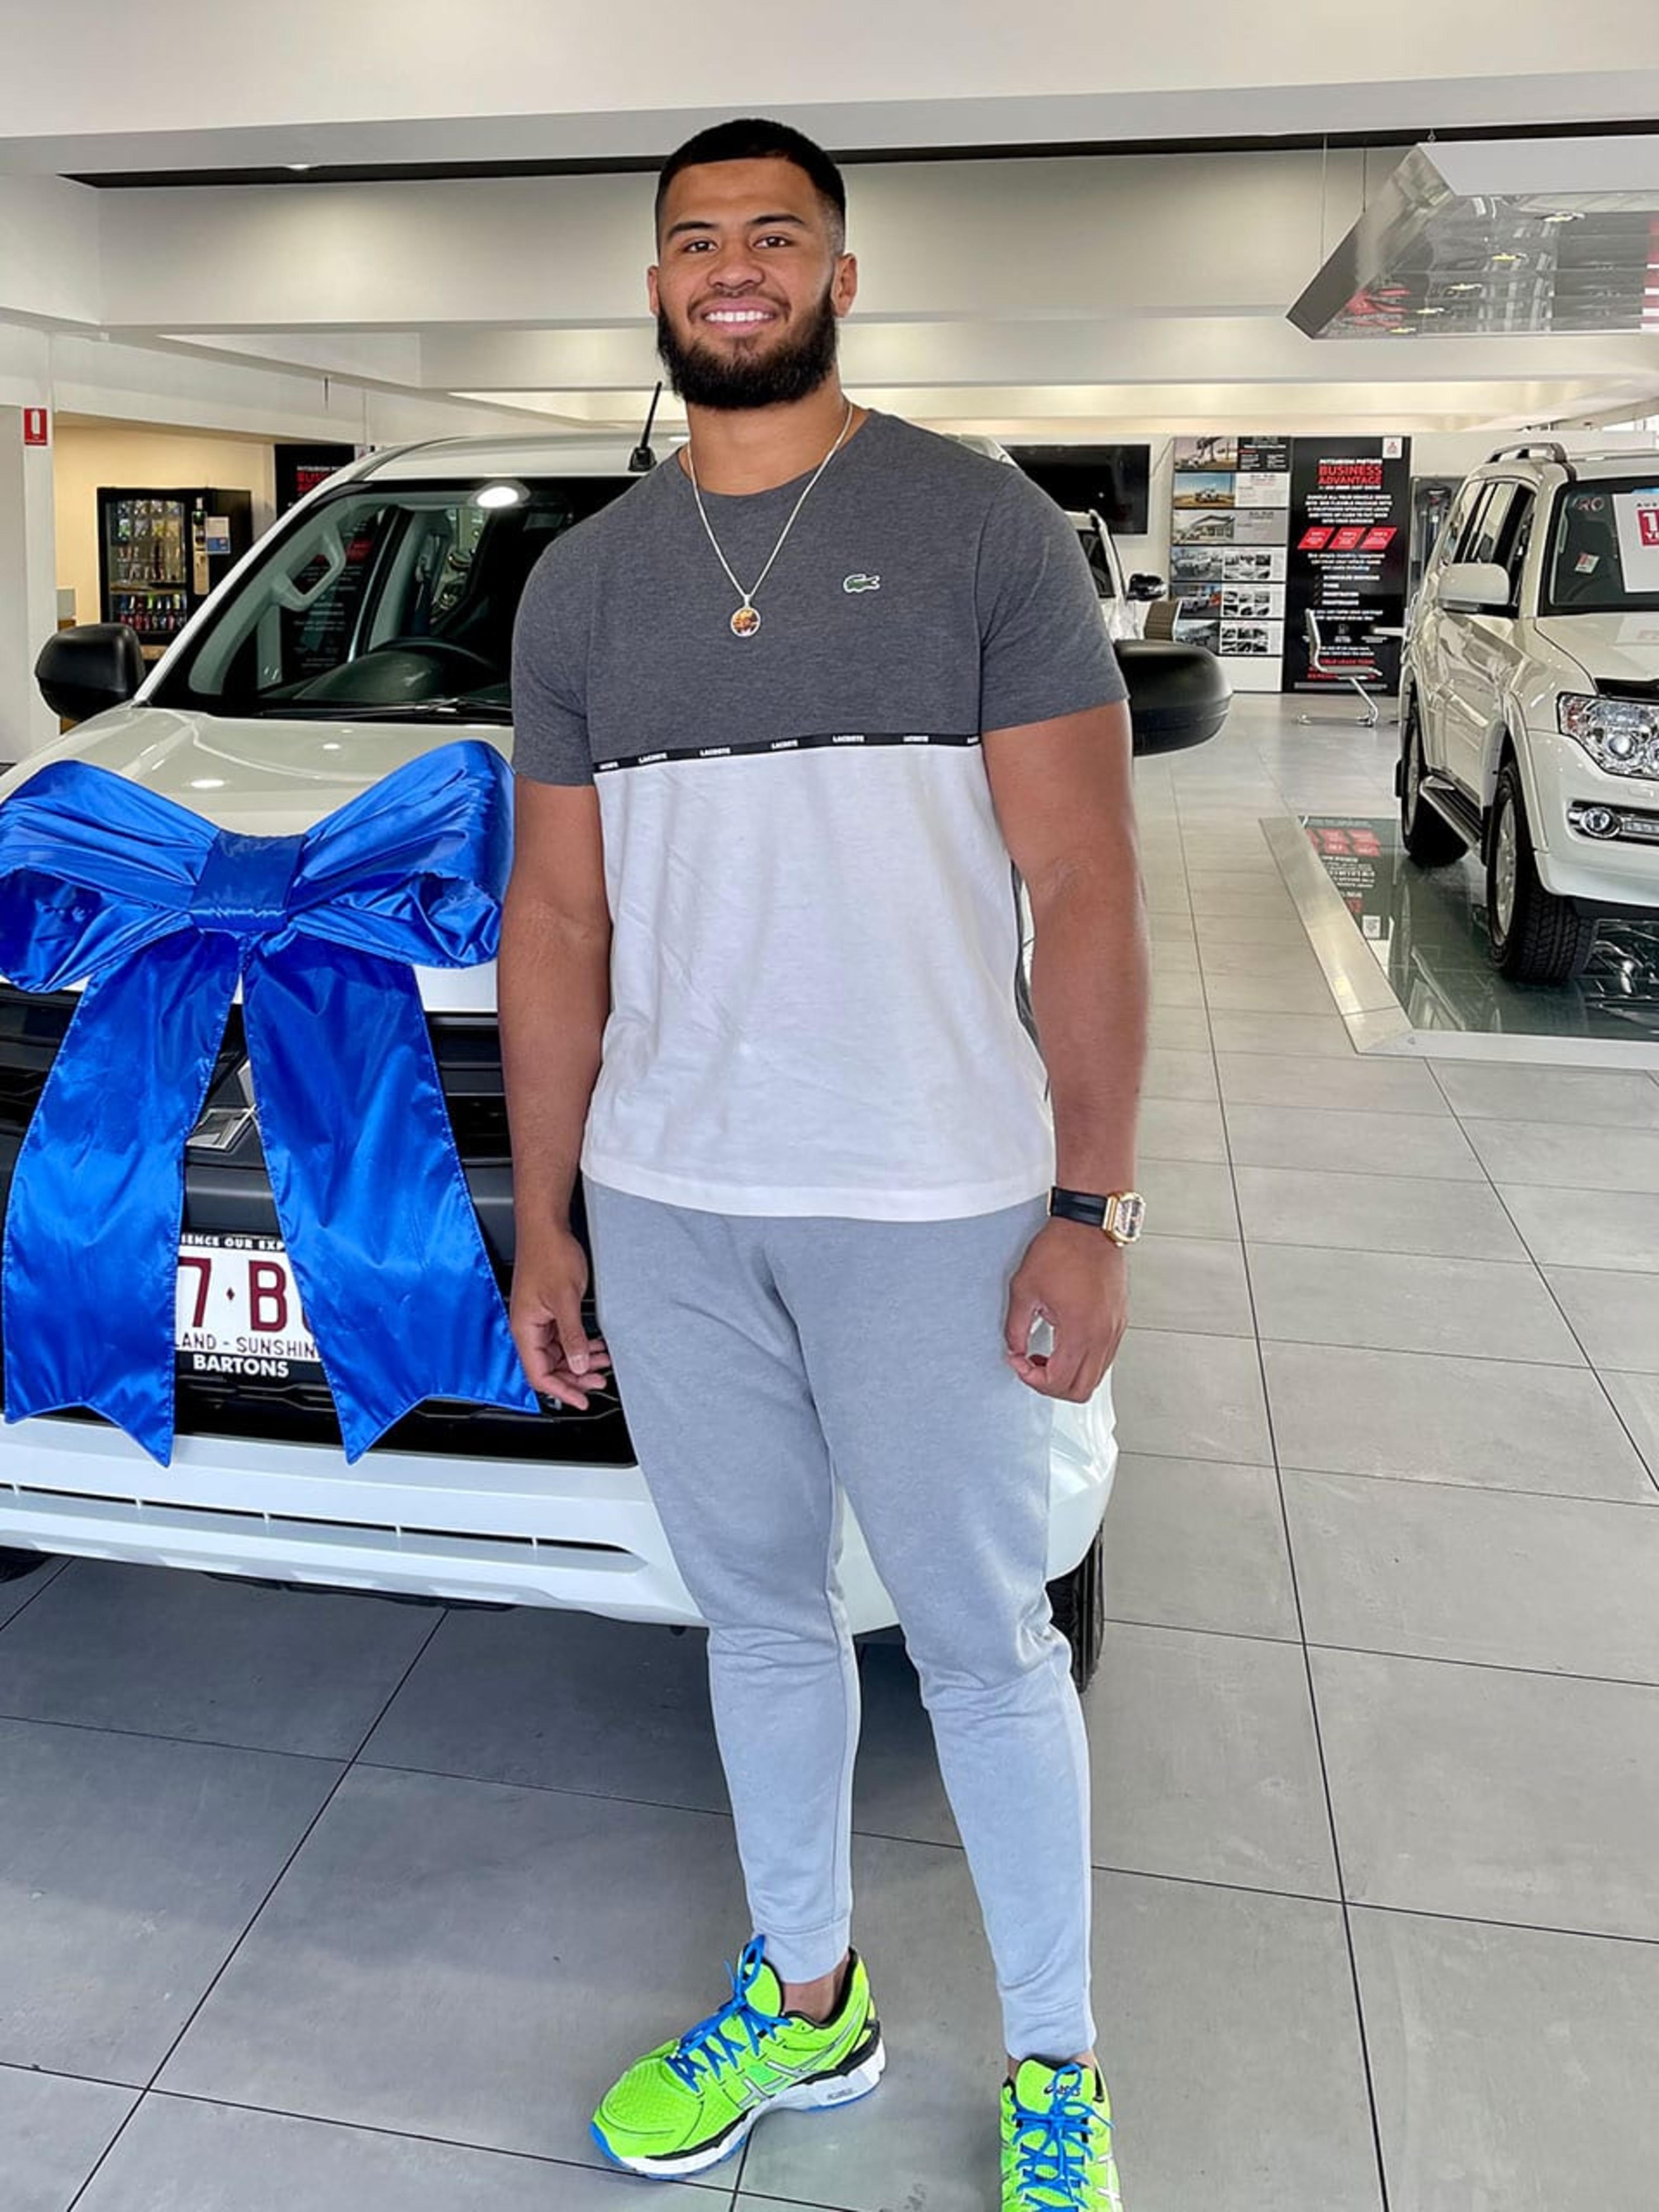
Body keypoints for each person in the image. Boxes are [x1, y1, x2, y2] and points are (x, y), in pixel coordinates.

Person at [501, 117, 1147, 2212]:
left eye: (777, 234)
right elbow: (559, 922)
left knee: (982, 1641)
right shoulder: (588, 582)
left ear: (842, 277)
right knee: (761, 1622)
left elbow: (1089, 886)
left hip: (934, 1196)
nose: (735, 265)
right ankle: (807, 1998)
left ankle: (1056, 2067)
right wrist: (552, 1217)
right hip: (676, 1199)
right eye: (697, 237)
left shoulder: (982, 531)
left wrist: (1089, 1208)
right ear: (656, 284)